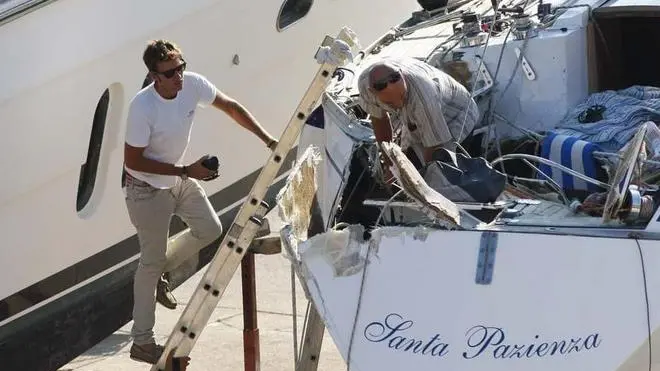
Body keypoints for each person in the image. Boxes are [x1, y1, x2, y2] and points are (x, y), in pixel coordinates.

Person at [123, 39, 279, 364]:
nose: (179, 76)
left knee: (210, 228)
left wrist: (267, 139)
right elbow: (133, 161)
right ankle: (141, 342)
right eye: (171, 72)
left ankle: (157, 273)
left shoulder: (192, 84)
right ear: (155, 76)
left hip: (177, 180)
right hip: (145, 190)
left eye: (182, 66)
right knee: (148, 262)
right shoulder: (142, 108)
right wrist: (185, 169)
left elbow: (231, 107)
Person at [357, 56, 480, 170]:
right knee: (407, 163)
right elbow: (380, 121)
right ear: (371, 91)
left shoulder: (424, 97)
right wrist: (390, 166)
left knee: (447, 169)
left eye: (402, 96)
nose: (399, 105)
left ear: (403, 77)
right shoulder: (365, 86)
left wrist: (427, 179)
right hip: (417, 120)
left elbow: (434, 148)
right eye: (390, 103)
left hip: (456, 116)